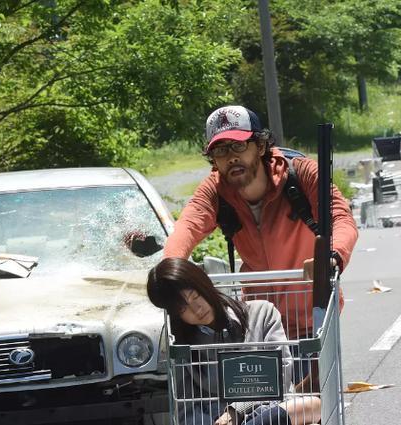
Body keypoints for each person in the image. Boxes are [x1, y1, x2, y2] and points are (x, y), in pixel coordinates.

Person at [163, 105, 358, 338]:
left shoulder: (301, 174)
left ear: (262, 146)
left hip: (313, 317)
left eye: (239, 145)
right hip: (259, 324)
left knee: (315, 375)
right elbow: (187, 227)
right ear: (213, 159)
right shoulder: (215, 191)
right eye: (221, 150)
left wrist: (331, 256)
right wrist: (170, 271)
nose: (232, 157)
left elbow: (341, 218)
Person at [147, 257, 321, 425]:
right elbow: (187, 409)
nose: (197, 308)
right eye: (183, 308)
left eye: (195, 296)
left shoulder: (262, 313)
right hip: (218, 420)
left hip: (272, 412)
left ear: (204, 284)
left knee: (312, 406)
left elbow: (280, 379)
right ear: (176, 315)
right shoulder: (183, 347)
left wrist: (236, 411)